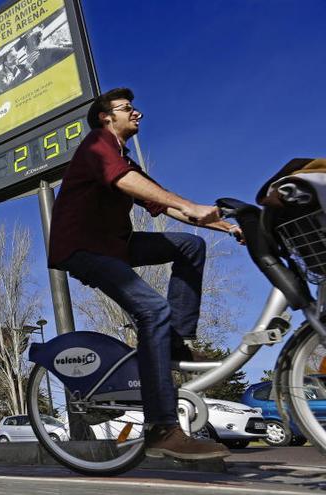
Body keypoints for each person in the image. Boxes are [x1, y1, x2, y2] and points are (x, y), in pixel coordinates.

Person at [48, 88, 244, 460]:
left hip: (115, 244)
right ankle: (161, 428)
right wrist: (188, 204)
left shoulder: (125, 161)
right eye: (128, 109)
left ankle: (175, 340)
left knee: (190, 245)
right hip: (82, 248)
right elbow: (124, 181)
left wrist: (227, 227)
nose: (137, 114)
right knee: (153, 310)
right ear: (107, 117)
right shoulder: (96, 145)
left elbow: (162, 202)